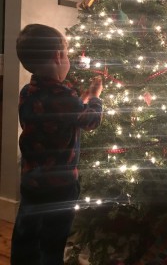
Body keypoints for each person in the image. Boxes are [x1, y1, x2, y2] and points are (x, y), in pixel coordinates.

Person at [11, 24, 103, 265]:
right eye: (68, 54)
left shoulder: (27, 92)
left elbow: (60, 115)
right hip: (60, 185)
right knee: (53, 238)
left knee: (27, 233)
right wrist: (95, 97)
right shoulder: (63, 96)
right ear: (58, 56)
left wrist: (80, 99)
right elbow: (90, 120)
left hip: (32, 181)